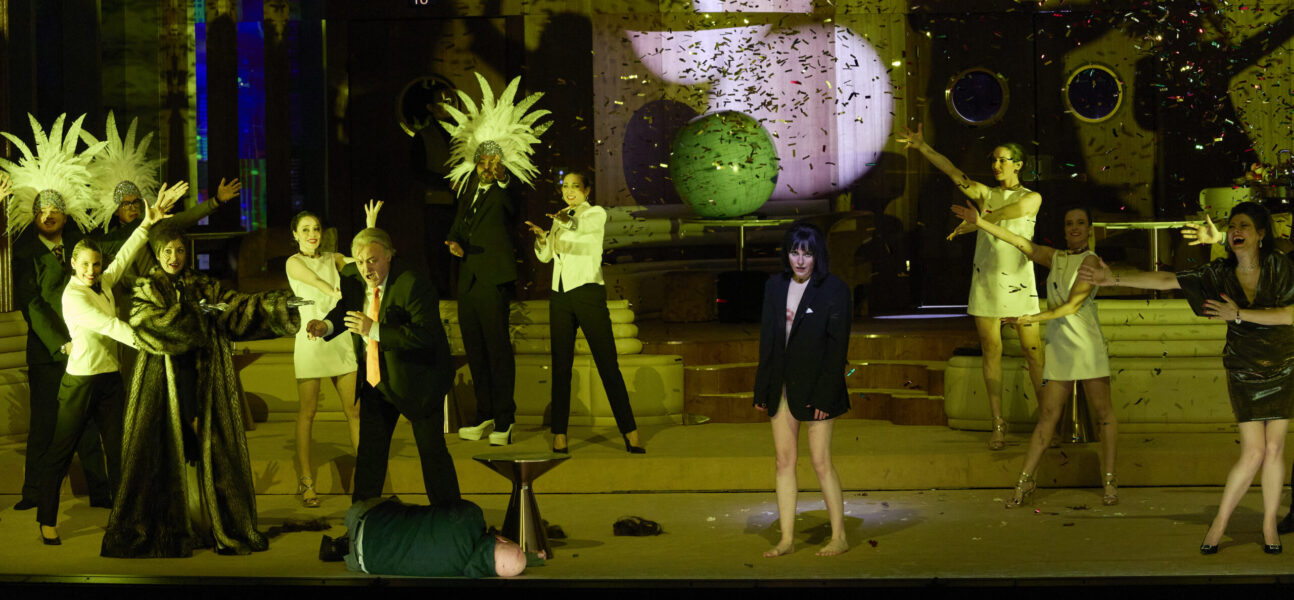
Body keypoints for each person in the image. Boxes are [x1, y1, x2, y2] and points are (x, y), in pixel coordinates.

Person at [1080, 202, 1290, 554]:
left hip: (1283, 363)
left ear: (1260, 234)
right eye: (1232, 226)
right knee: (1254, 451)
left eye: (1244, 226)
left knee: (1274, 448)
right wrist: (1111, 278)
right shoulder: (1219, 272)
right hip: (1244, 366)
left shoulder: (1279, 266)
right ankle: (1220, 521)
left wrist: (1239, 314)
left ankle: (1269, 524)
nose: (1236, 231)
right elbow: (1167, 280)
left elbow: (1289, 315)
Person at [100, 225, 303, 558]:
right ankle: (174, 525)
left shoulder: (204, 285)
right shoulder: (146, 290)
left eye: (179, 251)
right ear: (157, 254)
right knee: (169, 451)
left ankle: (208, 523)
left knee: (207, 449)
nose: (174, 257)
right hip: (164, 386)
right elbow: (149, 326)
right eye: (167, 251)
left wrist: (278, 305)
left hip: (203, 381)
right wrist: (196, 314)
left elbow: (236, 309)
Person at [35, 182, 181, 544]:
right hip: (81, 382)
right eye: (85, 265)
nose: (92, 270)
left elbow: (123, 258)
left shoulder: (102, 282)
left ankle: (125, 518)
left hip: (110, 380)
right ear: (73, 264)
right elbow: (113, 327)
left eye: (96, 264)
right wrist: (154, 342)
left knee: (120, 452)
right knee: (60, 452)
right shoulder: (74, 297)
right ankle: (46, 518)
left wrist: (146, 224)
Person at [950, 202, 1119, 508]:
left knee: (1104, 413)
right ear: (1064, 230)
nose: (1074, 228)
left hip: (1086, 344)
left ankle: (1109, 480)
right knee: (1048, 416)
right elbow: (1019, 242)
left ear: (1089, 229)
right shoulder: (1056, 258)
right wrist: (981, 223)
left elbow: (1072, 306)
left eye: (1080, 223)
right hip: (1060, 346)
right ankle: (1025, 481)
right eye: (1069, 223)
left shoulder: (1091, 261)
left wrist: (1030, 318)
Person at [898, 124, 1046, 451]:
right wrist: (922, 147)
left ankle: (1048, 420)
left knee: (1033, 352)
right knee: (991, 351)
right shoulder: (984, 193)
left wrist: (977, 222)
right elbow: (953, 172)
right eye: (994, 160)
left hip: (1019, 284)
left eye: (1003, 160)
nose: (996, 165)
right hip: (986, 281)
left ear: (1018, 165)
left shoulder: (1031, 197)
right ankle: (998, 423)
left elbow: (1008, 213)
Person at [3, 113, 113, 512]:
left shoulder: (82, 246)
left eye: (55, 210)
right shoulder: (25, 252)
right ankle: (34, 493)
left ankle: (101, 491)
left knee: (88, 426)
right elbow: (31, 304)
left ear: (66, 214)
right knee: (45, 426)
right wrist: (60, 344)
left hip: (86, 349)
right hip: (48, 354)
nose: (48, 216)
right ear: (33, 215)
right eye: (41, 211)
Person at [305, 227, 460, 506]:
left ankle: (451, 517)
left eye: (372, 260)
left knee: (432, 455)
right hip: (376, 380)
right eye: (360, 261)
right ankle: (362, 521)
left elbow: (425, 336)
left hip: (419, 380)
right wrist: (325, 326)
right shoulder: (351, 276)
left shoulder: (412, 283)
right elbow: (346, 308)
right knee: (370, 457)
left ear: (389, 255)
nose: (366, 268)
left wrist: (374, 329)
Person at [441, 73, 551, 447]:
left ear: (502, 163)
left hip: (493, 278)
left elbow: (509, 204)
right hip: (468, 278)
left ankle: (505, 419)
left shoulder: (505, 188)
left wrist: (502, 178)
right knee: (475, 349)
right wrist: (454, 242)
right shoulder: (469, 188)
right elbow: (459, 223)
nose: (487, 165)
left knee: (497, 349)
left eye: (493, 160)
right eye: (482, 159)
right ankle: (485, 414)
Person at [525, 170, 644, 454]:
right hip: (560, 295)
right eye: (565, 186)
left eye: (575, 187)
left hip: (588, 292)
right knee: (560, 366)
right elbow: (547, 256)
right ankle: (559, 433)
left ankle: (629, 430)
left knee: (607, 363)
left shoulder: (594, 214)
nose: (569, 191)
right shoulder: (559, 218)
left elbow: (581, 229)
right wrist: (542, 239)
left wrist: (565, 221)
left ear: (587, 190)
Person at [752, 222, 851, 558]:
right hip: (781, 385)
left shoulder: (834, 289)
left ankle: (839, 536)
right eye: (794, 252)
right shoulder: (774, 286)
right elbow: (768, 340)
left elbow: (837, 348)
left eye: (807, 254)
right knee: (784, 461)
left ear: (817, 256)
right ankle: (786, 539)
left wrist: (825, 395)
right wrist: (762, 388)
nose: (800, 260)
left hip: (819, 386)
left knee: (821, 461)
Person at [285, 200, 382, 507]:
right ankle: (306, 480)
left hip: (338, 338)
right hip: (310, 340)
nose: (312, 234)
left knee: (354, 411)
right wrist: (334, 291)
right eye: (305, 230)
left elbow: (365, 260)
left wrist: (370, 227)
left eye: (316, 229)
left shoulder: (334, 258)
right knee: (308, 412)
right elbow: (312, 280)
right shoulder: (292, 262)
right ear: (295, 234)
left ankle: (368, 483)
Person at [319, 497, 530, 578]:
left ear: (502, 539)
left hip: (367, 519)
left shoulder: (471, 516)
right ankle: (341, 548)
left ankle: (346, 536)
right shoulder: (465, 571)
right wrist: (530, 558)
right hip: (362, 563)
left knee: (414, 512)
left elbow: (442, 504)